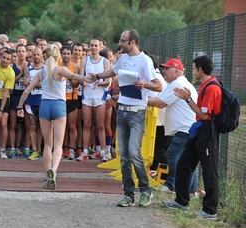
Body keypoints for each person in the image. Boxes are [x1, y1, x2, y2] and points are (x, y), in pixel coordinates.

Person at [88, 29, 162, 207]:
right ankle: (128, 194)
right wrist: (96, 76)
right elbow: (113, 73)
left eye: (123, 40)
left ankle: (145, 190)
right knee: (124, 156)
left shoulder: (144, 60)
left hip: (137, 111)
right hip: (122, 110)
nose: (120, 43)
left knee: (134, 153)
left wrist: (144, 84)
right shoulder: (123, 59)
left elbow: (158, 86)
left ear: (133, 42)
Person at [16, 44, 86, 190]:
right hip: (59, 106)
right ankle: (54, 170)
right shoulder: (60, 70)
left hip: (45, 106)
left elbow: (26, 91)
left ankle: (48, 177)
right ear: (57, 56)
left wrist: (19, 107)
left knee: (48, 144)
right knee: (58, 145)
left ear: (45, 56)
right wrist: (88, 78)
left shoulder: (40, 73)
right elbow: (75, 77)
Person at [165, 55, 222, 220]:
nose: (193, 71)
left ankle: (210, 210)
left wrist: (188, 99)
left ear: (200, 69)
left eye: (194, 68)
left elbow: (204, 115)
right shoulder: (205, 85)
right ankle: (181, 201)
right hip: (197, 130)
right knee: (184, 163)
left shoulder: (212, 87)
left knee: (209, 170)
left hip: (207, 131)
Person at [148, 58, 199, 194]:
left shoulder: (179, 84)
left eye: (167, 68)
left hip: (185, 129)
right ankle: (192, 190)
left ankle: (171, 185)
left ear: (176, 71)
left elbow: (161, 103)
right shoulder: (177, 83)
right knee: (188, 159)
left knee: (173, 154)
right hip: (188, 128)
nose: (164, 71)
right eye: (164, 68)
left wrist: (139, 102)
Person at [76, 39, 111, 162]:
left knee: (100, 124)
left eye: (96, 45)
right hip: (87, 95)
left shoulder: (105, 61)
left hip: (100, 96)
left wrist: (99, 84)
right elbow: (81, 78)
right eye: (92, 45)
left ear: (100, 47)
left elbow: (108, 81)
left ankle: (103, 152)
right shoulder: (84, 60)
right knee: (87, 124)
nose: (94, 48)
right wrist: (84, 81)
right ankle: (84, 151)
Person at [59, 45, 80, 160]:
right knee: (62, 126)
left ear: (71, 55)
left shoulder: (75, 67)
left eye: (68, 54)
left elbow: (76, 84)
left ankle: (72, 149)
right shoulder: (57, 67)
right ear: (61, 54)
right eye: (64, 53)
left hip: (72, 98)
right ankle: (63, 148)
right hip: (60, 99)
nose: (66, 56)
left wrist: (70, 78)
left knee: (72, 126)